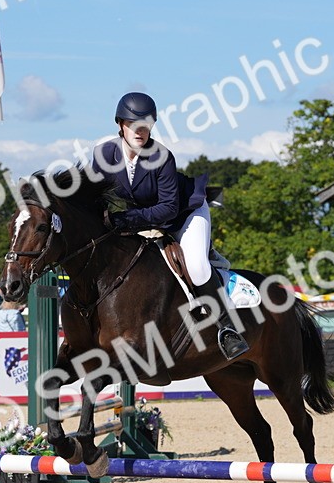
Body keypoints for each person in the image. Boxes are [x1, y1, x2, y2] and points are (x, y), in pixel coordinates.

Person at [87, 92, 248, 361]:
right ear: (120, 125)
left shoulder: (160, 156)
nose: (140, 130)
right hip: (140, 218)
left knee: (195, 267)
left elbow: (168, 209)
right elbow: (94, 196)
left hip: (184, 215)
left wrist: (124, 219)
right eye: (133, 124)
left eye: (146, 124)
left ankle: (227, 329)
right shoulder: (104, 154)